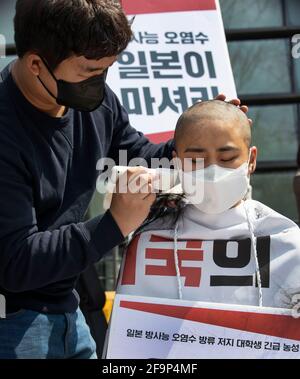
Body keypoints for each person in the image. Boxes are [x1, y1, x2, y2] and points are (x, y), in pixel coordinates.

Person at [0, 0, 247, 359]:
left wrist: (197, 143)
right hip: (12, 325)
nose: (100, 82)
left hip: (69, 312)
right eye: (89, 71)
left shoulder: (96, 104)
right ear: (37, 63)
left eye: (107, 69)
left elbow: (139, 154)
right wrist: (115, 223)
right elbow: (16, 264)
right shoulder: (6, 131)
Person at [117, 100, 300, 309]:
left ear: (251, 160)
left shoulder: (285, 241)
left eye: (227, 158)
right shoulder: (149, 241)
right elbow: (129, 332)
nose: (212, 171)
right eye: (196, 160)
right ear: (177, 163)